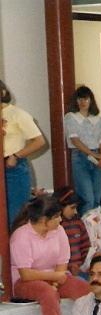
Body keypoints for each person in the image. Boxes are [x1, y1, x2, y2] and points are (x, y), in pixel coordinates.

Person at [10, 195, 91, 315]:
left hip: (55, 277)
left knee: (87, 290)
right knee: (47, 293)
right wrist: (53, 279)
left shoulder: (59, 231)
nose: (60, 220)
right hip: (25, 281)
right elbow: (25, 274)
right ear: (42, 219)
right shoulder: (21, 235)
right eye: (56, 216)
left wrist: (54, 282)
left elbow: (62, 262)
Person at [1, 78, 47, 226]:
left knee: (15, 217)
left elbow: (39, 141)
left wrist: (15, 156)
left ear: (3, 93)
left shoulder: (17, 114)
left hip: (13, 169)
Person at [64, 85, 101, 213]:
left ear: (91, 101)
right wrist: (94, 155)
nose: (82, 102)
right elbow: (75, 140)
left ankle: (96, 229)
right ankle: (85, 229)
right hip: (80, 157)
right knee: (87, 197)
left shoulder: (98, 120)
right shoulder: (71, 117)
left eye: (86, 99)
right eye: (79, 99)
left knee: (98, 198)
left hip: (97, 157)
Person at [59, 187, 91, 276]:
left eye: (76, 208)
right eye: (72, 208)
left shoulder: (78, 223)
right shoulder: (55, 227)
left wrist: (87, 265)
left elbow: (85, 247)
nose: (75, 212)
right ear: (61, 206)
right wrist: (69, 267)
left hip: (80, 270)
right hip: (63, 272)